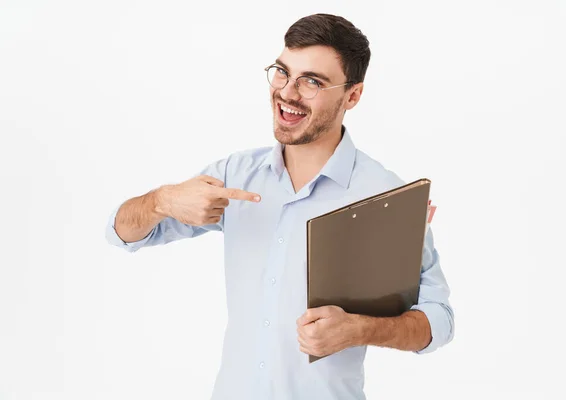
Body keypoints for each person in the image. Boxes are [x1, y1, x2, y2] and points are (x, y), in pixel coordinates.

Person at [105, 13, 454, 400]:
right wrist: (162, 200)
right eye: (282, 73)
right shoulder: (235, 175)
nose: (288, 92)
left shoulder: (384, 195)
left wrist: (359, 329)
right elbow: (121, 234)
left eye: (312, 82)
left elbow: (438, 320)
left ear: (352, 96)